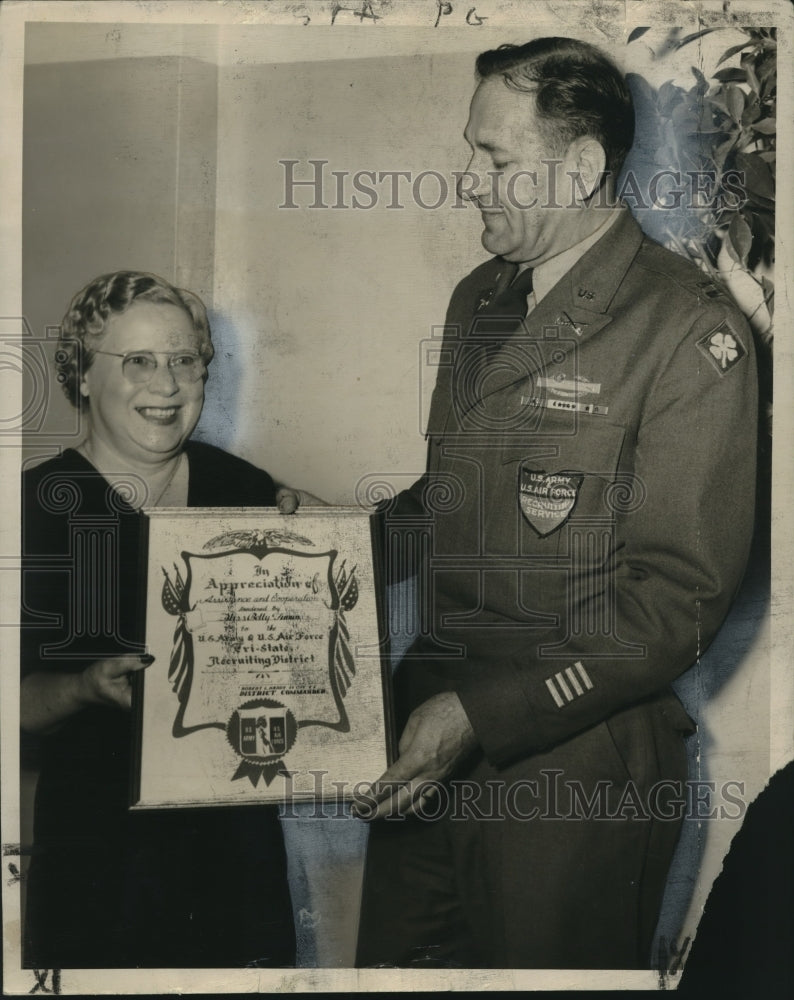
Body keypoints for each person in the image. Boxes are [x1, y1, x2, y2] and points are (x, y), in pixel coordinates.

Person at [353, 37, 758, 969]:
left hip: (570, 767)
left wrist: (483, 715)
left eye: (493, 158)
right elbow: (450, 496)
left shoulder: (687, 328)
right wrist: (325, 552)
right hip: (426, 743)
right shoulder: (480, 301)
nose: (467, 180)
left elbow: (677, 602)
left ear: (579, 168)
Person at [20, 271, 310, 968]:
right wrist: (84, 687)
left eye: (185, 360)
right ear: (83, 377)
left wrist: (321, 550)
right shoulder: (33, 508)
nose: (168, 383)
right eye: (139, 362)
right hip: (98, 858)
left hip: (236, 849)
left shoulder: (244, 490)